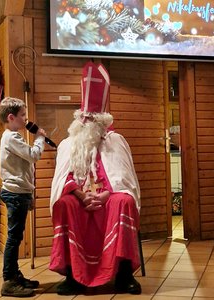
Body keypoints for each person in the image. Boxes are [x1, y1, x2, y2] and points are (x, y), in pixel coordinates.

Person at [49, 61, 142, 295]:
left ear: (102, 121)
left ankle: (123, 275)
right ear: (79, 121)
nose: (88, 122)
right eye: (85, 118)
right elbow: (64, 178)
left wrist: (104, 195)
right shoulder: (69, 144)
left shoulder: (115, 141)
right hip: (80, 200)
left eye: (93, 118)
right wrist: (81, 195)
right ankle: (73, 276)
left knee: (125, 202)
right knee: (64, 203)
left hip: (107, 199)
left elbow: (123, 179)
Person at [0, 97, 46, 297]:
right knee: (14, 238)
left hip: (20, 192)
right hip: (15, 193)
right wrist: (40, 138)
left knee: (15, 237)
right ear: (11, 117)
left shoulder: (13, 136)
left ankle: (15, 275)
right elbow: (34, 155)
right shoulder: (12, 137)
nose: (26, 120)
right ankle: (9, 281)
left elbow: (25, 167)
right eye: (23, 115)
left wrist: (30, 193)